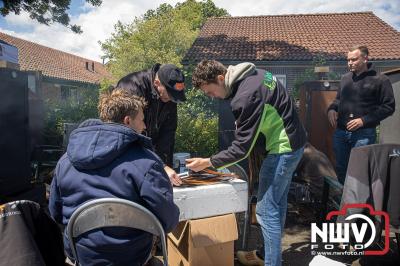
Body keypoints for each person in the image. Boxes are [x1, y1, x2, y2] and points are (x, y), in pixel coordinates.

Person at [187, 60, 307, 266]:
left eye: (210, 91)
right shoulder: (256, 74)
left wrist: (208, 162)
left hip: (282, 149)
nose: (211, 97)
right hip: (295, 142)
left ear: (220, 78)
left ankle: (271, 261)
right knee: (277, 203)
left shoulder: (246, 95)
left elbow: (242, 149)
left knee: (265, 210)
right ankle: (270, 254)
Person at [49, 89, 179, 266]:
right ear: (127, 120)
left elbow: (56, 213)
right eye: (142, 120)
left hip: (81, 258)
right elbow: (168, 221)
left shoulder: (65, 161)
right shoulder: (146, 161)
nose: (145, 126)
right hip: (133, 259)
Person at [327, 45, 395, 184]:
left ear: (365, 58)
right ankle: (343, 202)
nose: (350, 63)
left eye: (354, 59)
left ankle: (359, 204)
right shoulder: (345, 78)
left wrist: (363, 120)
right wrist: (332, 109)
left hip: (363, 134)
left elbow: (389, 107)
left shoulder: (380, 79)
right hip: (341, 133)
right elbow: (338, 100)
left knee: (360, 171)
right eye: (348, 60)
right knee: (341, 169)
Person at [116, 64, 186, 186]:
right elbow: (128, 137)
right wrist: (161, 166)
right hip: (127, 158)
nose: (171, 99)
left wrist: (166, 170)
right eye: (169, 94)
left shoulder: (168, 95)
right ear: (157, 82)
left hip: (150, 155)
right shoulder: (131, 87)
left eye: (174, 96)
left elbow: (168, 134)